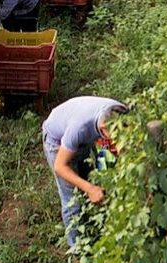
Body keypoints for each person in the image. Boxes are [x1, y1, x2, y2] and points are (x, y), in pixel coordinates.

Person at [42, 96, 129, 248]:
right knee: (73, 198)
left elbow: (113, 149)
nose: (119, 138)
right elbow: (60, 166)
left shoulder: (121, 111)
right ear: (103, 129)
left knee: (93, 176)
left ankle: (94, 225)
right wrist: (90, 189)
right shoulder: (79, 128)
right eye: (115, 135)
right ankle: (77, 249)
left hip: (85, 139)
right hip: (57, 142)